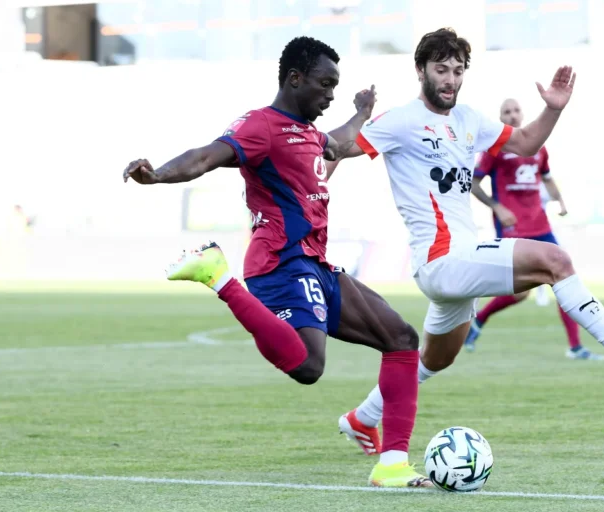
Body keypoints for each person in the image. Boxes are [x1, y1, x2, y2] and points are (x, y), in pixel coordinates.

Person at [326, 28, 604, 455]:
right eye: (441, 69)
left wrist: (551, 110)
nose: (450, 79)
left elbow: (527, 141)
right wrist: (313, 197)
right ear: (420, 69)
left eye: (458, 71)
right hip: (440, 259)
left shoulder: (469, 119)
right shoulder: (401, 120)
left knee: (436, 359)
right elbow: (335, 148)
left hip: (458, 262)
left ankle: (362, 418)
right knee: (556, 261)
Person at [122, 36, 430, 488]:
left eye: (336, 87)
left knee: (402, 339)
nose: (330, 96)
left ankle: (392, 466)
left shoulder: (310, 134)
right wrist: (158, 175)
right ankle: (217, 275)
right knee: (308, 365)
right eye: (325, 85)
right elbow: (207, 155)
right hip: (280, 263)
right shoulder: (261, 125)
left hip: (317, 264)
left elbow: (341, 143)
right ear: (294, 78)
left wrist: (362, 112)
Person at [464, 98, 603, 361]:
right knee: (521, 293)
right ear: (501, 118)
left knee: (564, 279)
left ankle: (575, 347)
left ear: (522, 113)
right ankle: (477, 318)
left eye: (516, 110)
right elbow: (473, 183)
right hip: (513, 227)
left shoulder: (538, 147)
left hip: (540, 224)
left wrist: (560, 200)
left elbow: (548, 178)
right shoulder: (495, 149)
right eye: (507, 111)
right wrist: (498, 208)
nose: (513, 115)